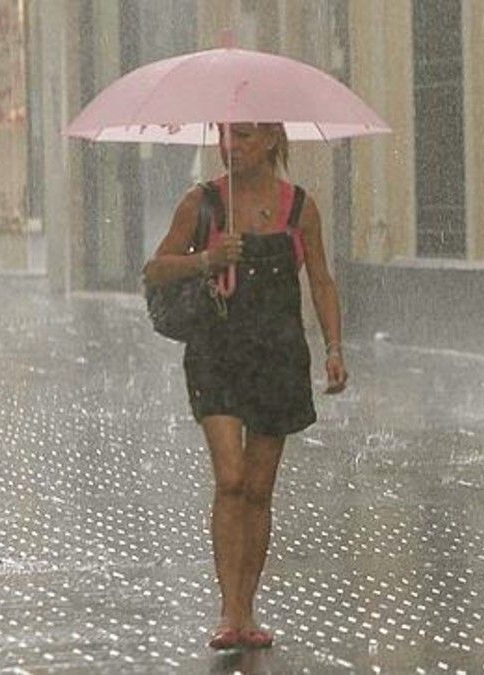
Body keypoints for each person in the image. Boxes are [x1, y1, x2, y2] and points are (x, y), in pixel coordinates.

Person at [142, 122, 348, 649]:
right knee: (230, 478)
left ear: (274, 141)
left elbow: (320, 279)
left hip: (278, 358)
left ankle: (247, 610)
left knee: (258, 490)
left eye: (246, 137)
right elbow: (155, 270)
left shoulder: (300, 207)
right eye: (226, 136)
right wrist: (207, 259)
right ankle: (228, 609)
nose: (232, 147)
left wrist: (334, 349)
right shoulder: (202, 202)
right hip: (216, 355)